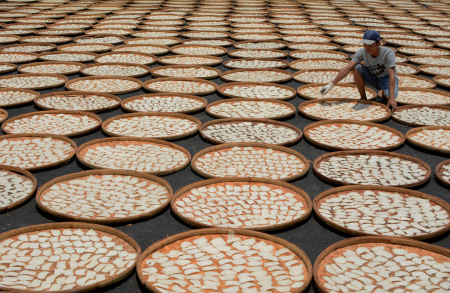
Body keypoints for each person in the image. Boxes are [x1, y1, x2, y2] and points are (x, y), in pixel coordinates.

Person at [319, 30, 399, 111]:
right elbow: (347, 68)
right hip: (372, 77)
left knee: (391, 95)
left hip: (386, 79)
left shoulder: (388, 53)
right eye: (365, 45)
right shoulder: (362, 52)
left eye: (370, 46)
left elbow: (392, 75)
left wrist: (391, 98)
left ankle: (385, 96)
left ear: (378, 44)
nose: (367, 48)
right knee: (356, 67)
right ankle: (363, 98)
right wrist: (331, 85)